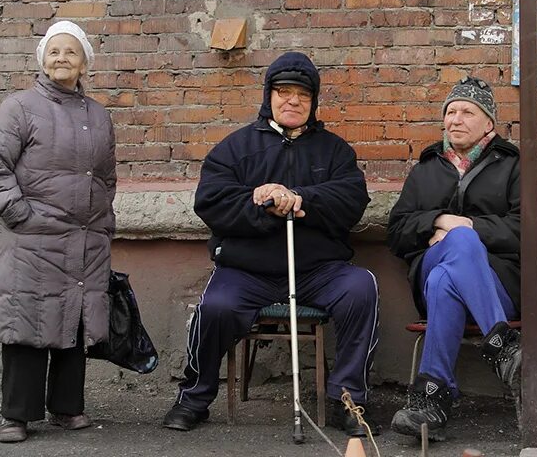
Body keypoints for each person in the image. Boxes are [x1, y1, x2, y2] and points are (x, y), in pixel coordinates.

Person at [161, 51, 379, 436]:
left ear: (313, 102)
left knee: (361, 288)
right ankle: (194, 397)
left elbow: (352, 200)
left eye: (303, 95)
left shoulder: (335, 151)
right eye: (283, 91)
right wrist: (260, 203)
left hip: (317, 270)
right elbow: (210, 202)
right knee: (216, 306)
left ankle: (348, 398)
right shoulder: (235, 148)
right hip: (248, 271)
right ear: (269, 96)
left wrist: (302, 199)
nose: (293, 100)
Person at [0, 21, 116, 443]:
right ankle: (16, 416)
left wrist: (103, 222)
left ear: (84, 62)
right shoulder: (19, 107)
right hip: (29, 238)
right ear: (42, 59)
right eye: (54, 51)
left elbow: (107, 178)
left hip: (84, 239)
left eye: (71, 52)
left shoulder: (98, 115)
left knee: (72, 322)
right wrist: (22, 217)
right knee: (26, 322)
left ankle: (67, 409)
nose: (61, 58)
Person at [386, 76, 537, 441]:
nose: (455, 119)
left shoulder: (515, 165)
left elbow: (532, 229)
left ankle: (430, 402)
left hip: (497, 282)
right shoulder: (427, 167)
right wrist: (441, 221)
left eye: (467, 112)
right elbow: (396, 232)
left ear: (489, 122)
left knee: (448, 279)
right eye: (451, 112)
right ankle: (502, 346)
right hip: (426, 270)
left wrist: (469, 228)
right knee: (450, 256)